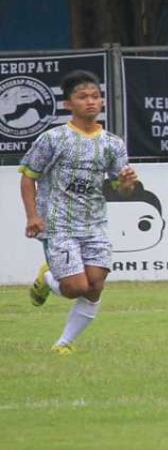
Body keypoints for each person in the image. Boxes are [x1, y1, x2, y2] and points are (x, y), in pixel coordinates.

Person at [23, 70, 137, 353]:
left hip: (94, 224)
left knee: (95, 285)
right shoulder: (52, 139)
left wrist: (126, 185)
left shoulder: (113, 143)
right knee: (75, 287)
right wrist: (33, 216)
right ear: (68, 104)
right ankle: (47, 278)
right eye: (82, 96)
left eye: (95, 96)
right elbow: (28, 177)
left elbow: (120, 189)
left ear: (102, 102)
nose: (90, 101)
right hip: (58, 223)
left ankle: (64, 344)